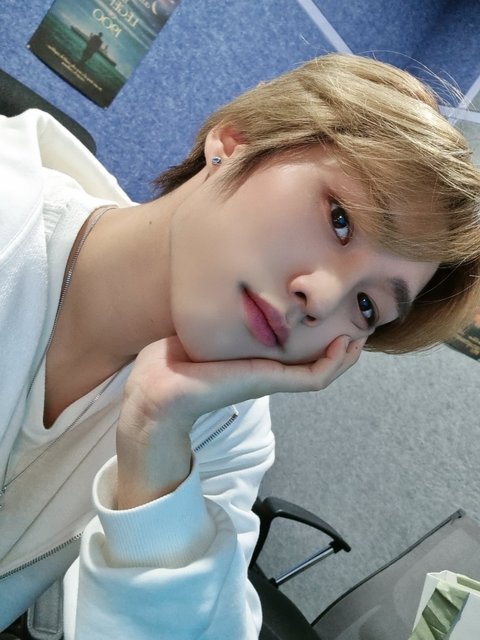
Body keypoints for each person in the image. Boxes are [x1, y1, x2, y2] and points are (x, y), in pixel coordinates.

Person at [0, 52, 479, 638]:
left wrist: (156, 438)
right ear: (236, 141)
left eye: (367, 307)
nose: (322, 297)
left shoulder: (225, 428)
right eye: (339, 219)